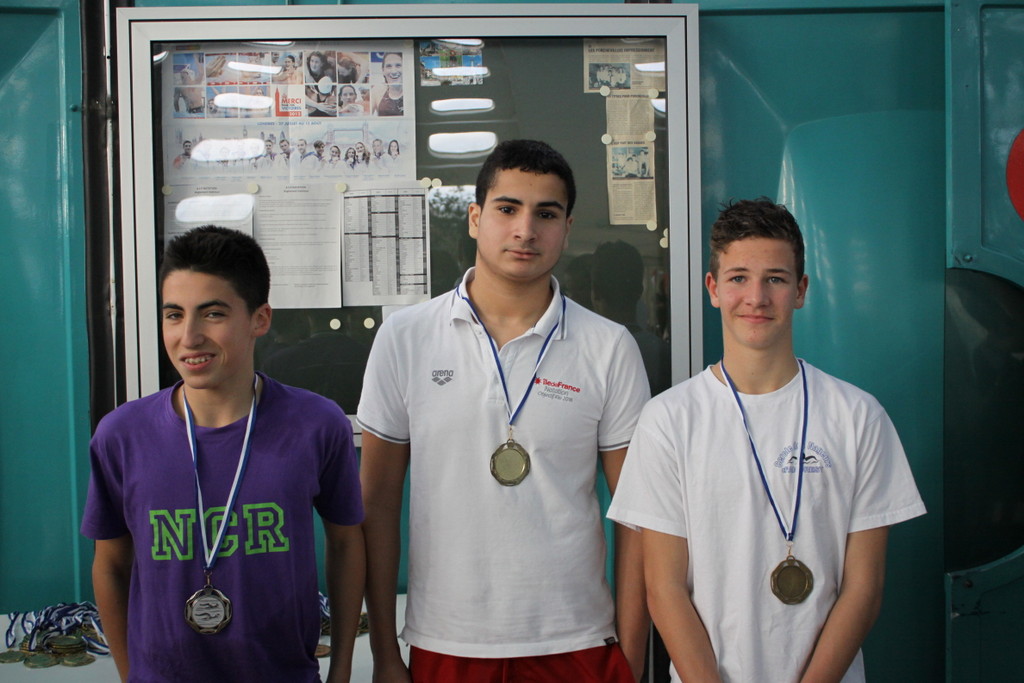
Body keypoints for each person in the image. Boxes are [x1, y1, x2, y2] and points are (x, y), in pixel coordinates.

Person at [358, 139, 651, 683]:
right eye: (507, 208)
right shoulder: (406, 337)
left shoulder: (608, 346)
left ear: (567, 228)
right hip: (447, 640)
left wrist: (632, 658)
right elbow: (376, 504)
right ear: (475, 218)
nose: (525, 229)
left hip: (577, 639)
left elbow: (637, 516)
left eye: (547, 214)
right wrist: (383, 654)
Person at [608, 198, 927, 682]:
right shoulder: (669, 420)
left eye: (775, 279)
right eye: (738, 277)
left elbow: (864, 589)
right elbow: (664, 589)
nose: (756, 297)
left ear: (800, 290)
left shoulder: (858, 417)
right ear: (713, 289)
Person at [81, 226, 365, 682]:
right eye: (174, 315)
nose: (189, 336)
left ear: (260, 319)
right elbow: (111, 564)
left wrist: (343, 669)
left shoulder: (316, 424)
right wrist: (131, 674)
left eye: (212, 314)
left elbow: (347, 544)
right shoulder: (122, 436)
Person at [373, 52, 404, 116]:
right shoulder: (377, 91)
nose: (394, 71)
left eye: (398, 65)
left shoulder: (413, 90)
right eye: (389, 66)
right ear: (383, 71)